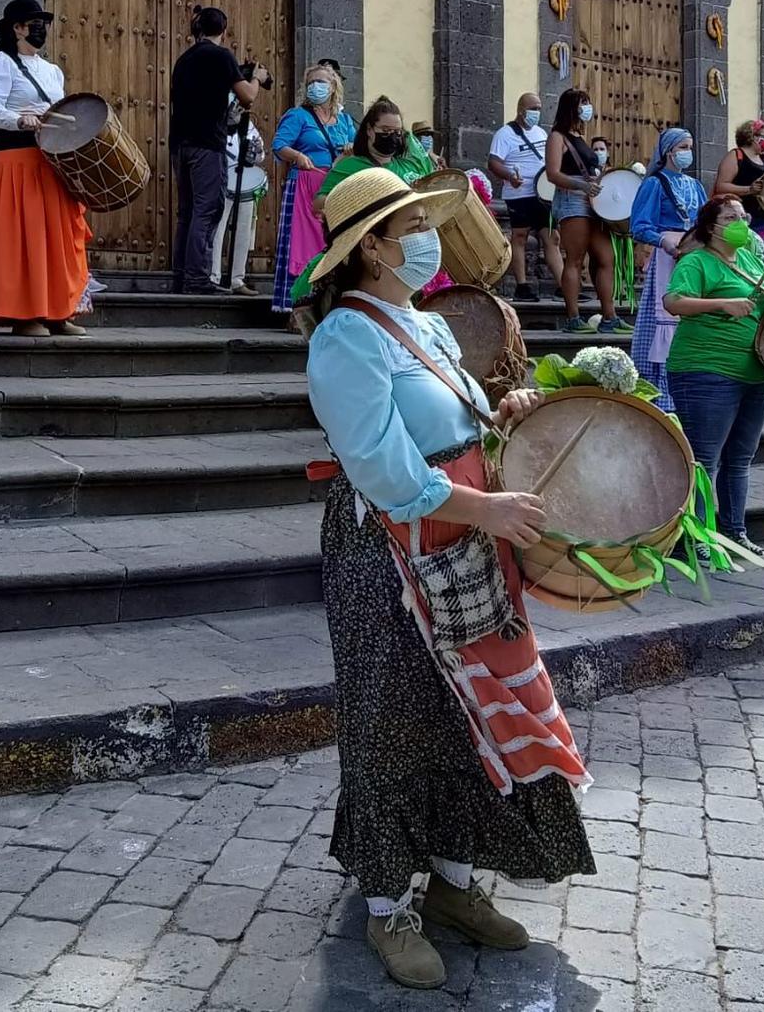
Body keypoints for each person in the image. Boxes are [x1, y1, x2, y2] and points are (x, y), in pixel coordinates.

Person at [298, 167, 592, 989]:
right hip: (388, 552)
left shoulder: (423, 324)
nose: (429, 237)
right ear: (372, 248)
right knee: (390, 719)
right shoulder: (345, 337)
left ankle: (456, 885)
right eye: (413, 225)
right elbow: (382, 468)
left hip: (461, 538)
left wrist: (500, 414)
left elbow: (451, 418)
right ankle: (390, 904)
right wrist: (484, 508)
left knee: (469, 715)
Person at [664, 197, 764, 545]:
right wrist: (721, 303)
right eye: (732, 217)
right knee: (704, 459)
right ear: (711, 225)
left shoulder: (749, 258)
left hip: (755, 372)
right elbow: (673, 302)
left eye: (744, 217)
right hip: (705, 370)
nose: (741, 222)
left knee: (739, 459)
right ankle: (695, 538)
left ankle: (734, 532)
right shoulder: (696, 261)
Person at [0, 0, 91, 337]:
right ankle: (26, 314)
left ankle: (59, 311)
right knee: (25, 238)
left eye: (44, 23)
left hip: (52, 160)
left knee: (58, 237)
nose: (42, 29)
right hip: (18, 161)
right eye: (34, 23)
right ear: (17, 28)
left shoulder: (52, 71)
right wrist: (19, 120)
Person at [168, 6, 266, 294]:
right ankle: (198, 279)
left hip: (180, 144)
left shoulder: (184, 59)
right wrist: (257, 77)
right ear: (223, 30)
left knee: (186, 212)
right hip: (207, 144)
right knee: (207, 209)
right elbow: (247, 96)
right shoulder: (221, 56)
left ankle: (180, 277)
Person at [629, 126, 707, 399]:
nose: (688, 153)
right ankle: (658, 390)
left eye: (690, 147)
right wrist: (663, 241)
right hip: (665, 257)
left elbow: (705, 222)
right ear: (669, 151)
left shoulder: (696, 186)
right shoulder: (654, 183)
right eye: (683, 147)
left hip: (693, 255)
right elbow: (638, 226)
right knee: (663, 317)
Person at [271, 62, 355, 314]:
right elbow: (278, 144)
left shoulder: (344, 121)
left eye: (322, 82)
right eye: (311, 83)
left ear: (333, 88)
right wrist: (297, 156)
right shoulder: (298, 116)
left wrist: (350, 149)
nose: (316, 87)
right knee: (301, 242)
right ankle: (293, 306)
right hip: (305, 186)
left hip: (334, 188)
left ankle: (328, 303)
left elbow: (357, 145)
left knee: (329, 242)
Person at [543, 88, 624, 335]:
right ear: (571, 107)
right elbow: (552, 173)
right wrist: (582, 185)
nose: (588, 107)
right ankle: (573, 317)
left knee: (606, 258)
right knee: (575, 260)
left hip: (593, 202)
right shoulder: (558, 137)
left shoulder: (579, 136)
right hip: (572, 201)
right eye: (583, 103)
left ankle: (609, 316)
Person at [488, 93, 563, 304]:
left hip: (543, 194)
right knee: (520, 237)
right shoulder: (504, 134)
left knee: (552, 237)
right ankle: (522, 285)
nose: (536, 113)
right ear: (521, 109)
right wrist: (510, 176)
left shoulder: (541, 133)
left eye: (539, 108)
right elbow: (494, 162)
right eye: (533, 108)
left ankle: (564, 285)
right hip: (519, 194)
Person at [211, 100, 267, 295]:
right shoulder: (217, 121)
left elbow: (260, 156)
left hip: (245, 184)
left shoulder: (248, 125)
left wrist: (257, 151)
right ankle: (214, 276)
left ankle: (237, 279)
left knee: (243, 231)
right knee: (217, 230)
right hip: (222, 180)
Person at [712, 117, 764, 242]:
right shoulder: (736, 155)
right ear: (751, 136)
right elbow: (721, 186)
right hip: (743, 219)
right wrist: (749, 189)